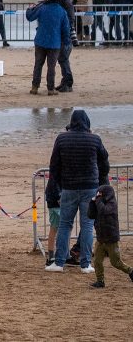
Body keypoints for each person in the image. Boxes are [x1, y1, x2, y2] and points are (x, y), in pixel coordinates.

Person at [46, 109, 110, 274]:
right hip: (90, 187)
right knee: (87, 225)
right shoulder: (95, 139)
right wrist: (101, 181)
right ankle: (86, 264)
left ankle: (59, 262)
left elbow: (54, 166)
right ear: (87, 123)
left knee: (65, 224)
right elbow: (105, 163)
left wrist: (58, 187)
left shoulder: (62, 138)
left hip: (69, 187)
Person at [25, 0, 70, 96]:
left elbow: (30, 17)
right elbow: (65, 29)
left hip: (40, 41)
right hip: (54, 43)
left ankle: (35, 87)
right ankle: (50, 88)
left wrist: (29, 8)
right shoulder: (62, 11)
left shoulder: (42, 8)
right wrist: (66, 42)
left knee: (38, 65)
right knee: (51, 67)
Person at [87, 184, 132, 288]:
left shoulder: (112, 204)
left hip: (111, 239)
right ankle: (100, 281)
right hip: (100, 238)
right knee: (97, 261)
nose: (99, 195)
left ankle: (130, 271)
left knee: (116, 262)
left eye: (101, 194)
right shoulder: (99, 203)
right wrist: (91, 203)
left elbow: (103, 211)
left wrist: (98, 200)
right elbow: (90, 215)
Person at [44, 174, 61, 266]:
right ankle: (62, 254)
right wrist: (60, 197)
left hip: (51, 200)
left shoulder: (55, 169)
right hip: (57, 201)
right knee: (64, 228)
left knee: (53, 228)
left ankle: (51, 255)